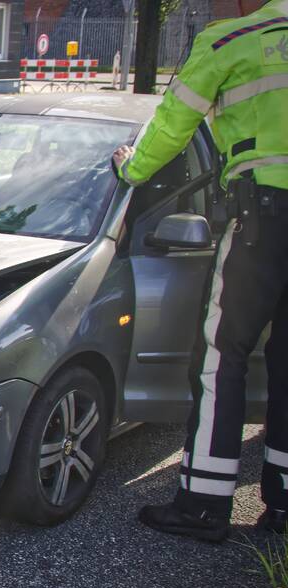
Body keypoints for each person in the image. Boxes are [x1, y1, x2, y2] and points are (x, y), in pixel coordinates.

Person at [112, 0, 288, 543]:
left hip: (264, 222)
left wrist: (131, 167)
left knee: (220, 358)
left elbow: (171, 127)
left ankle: (204, 502)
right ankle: (282, 502)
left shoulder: (226, 41)